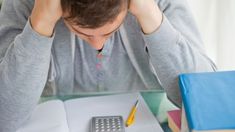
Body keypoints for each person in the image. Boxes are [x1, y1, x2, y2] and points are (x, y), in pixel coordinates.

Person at [0, 0, 216, 131]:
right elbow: (4, 117)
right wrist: (41, 23)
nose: (98, 44)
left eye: (109, 32)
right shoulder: (27, 4)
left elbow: (207, 104)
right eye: (83, 33)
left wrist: (150, 15)